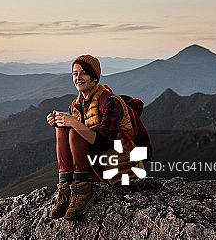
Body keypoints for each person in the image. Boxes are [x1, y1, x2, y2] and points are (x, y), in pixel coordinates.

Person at [46, 53, 145, 220]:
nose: (78, 77)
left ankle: (82, 190)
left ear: (94, 78)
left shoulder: (111, 102)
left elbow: (105, 142)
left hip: (116, 167)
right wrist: (58, 121)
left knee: (73, 129)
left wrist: (75, 123)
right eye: (75, 73)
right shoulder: (76, 104)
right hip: (95, 164)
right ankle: (65, 187)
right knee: (62, 129)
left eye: (83, 73)